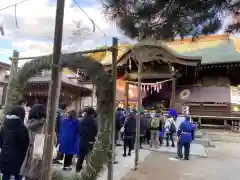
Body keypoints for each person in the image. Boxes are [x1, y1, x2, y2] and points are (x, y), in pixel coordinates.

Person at [0, 105, 29, 180]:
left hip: (5, 156)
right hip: (18, 158)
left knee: (5, 175)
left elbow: (0, 141)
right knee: (17, 175)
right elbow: (25, 144)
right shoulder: (22, 128)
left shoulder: (4, 126)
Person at [20, 104, 49, 180]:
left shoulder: (28, 124)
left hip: (30, 152)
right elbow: (54, 140)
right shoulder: (46, 125)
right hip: (42, 152)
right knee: (39, 174)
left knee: (29, 175)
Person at [76, 107, 98, 173]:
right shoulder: (94, 121)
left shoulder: (82, 120)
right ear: (92, 113)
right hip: (90, 141)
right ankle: (88, 171)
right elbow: (95, 131)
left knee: (81, 157)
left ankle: (78, 169)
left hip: (82, 140)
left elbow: (79, 130)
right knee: (89, 157)